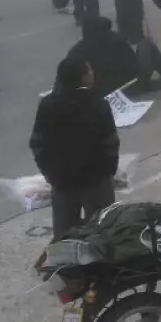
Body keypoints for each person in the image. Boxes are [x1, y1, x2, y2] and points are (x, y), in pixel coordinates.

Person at [30, 57, 119, 239]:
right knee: (103, 230)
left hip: (62, 182)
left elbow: (38, 143)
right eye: (89, 71)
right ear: (82, 78)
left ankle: (67, 264)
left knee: (64, 233)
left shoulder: (48, 105)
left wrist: (48, 172)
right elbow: (110, 143)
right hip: (96, 181)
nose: (92, 74)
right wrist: (108, 172)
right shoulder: (98, 104)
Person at [67, 16, 161, 97]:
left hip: (99, 92)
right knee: (145, 44)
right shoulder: (116, 41)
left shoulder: (76, 51)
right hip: (128, 87)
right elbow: (134, 66)